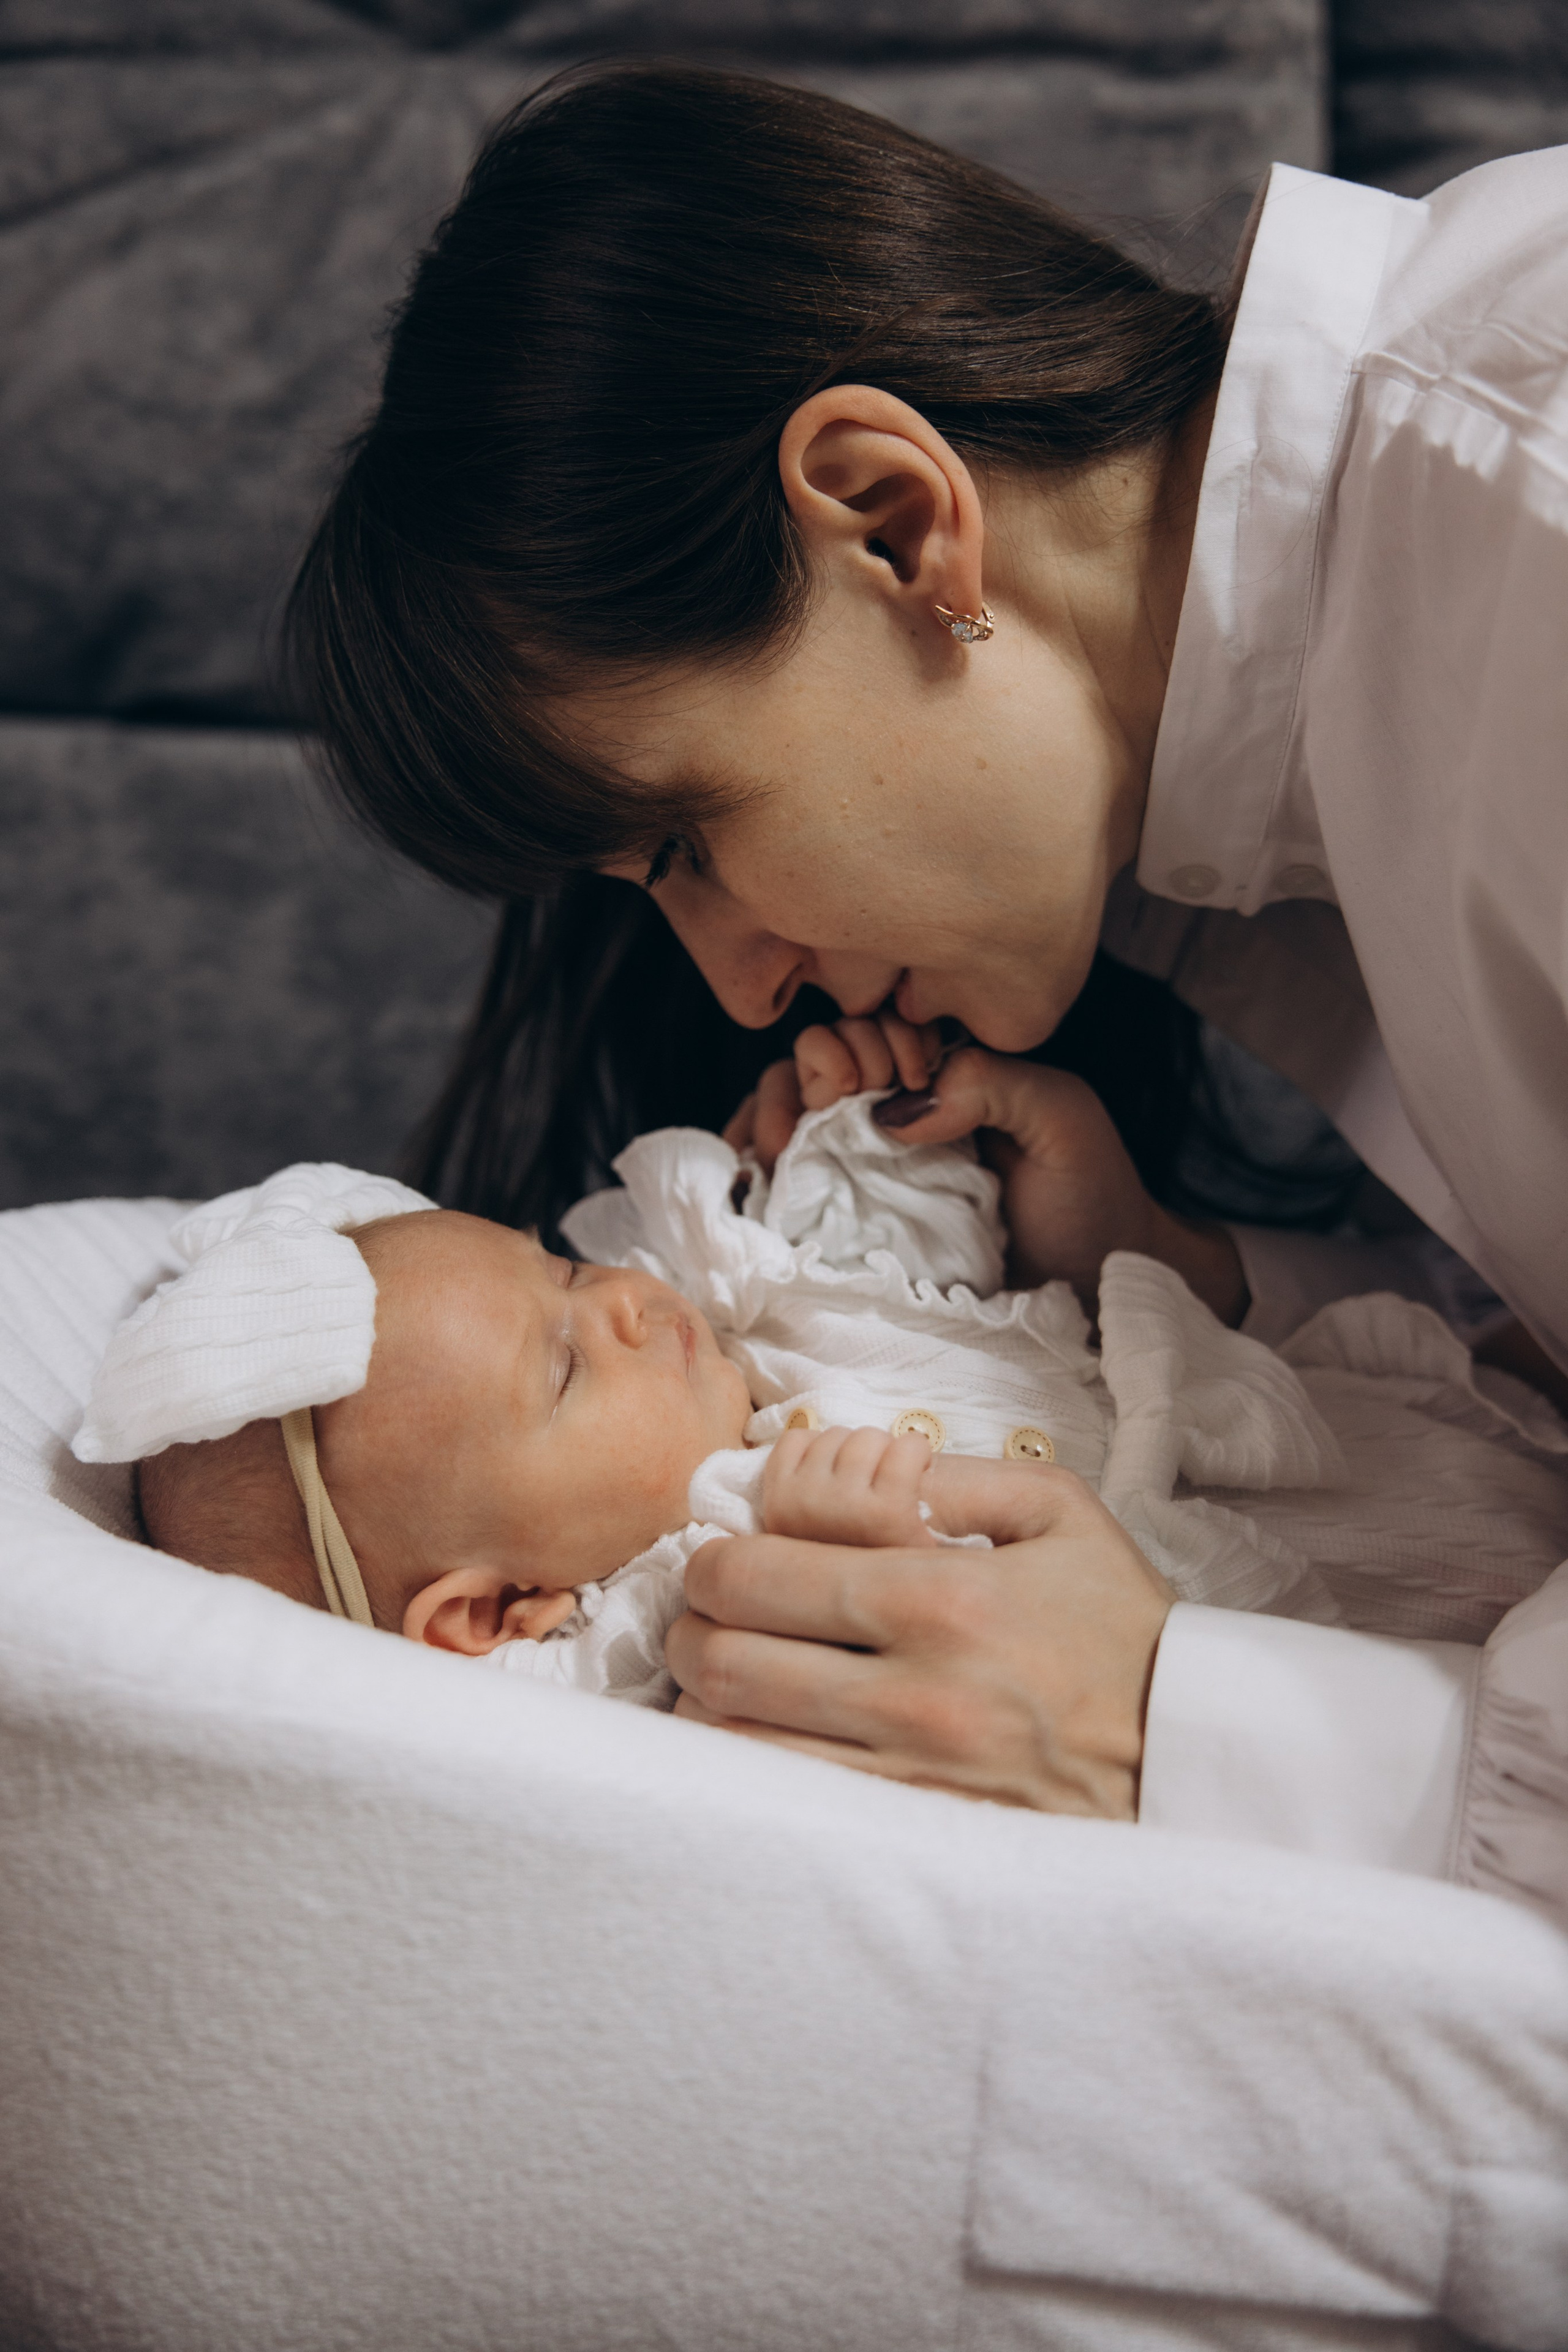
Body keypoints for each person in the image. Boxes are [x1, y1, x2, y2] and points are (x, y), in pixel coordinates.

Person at [287, 62, 1568, 1920]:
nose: (735, 983)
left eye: (690, 848)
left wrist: (1172, 1720)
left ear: (893, 522)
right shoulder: (1243, 815)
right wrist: (1175, 1280)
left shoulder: (1524, 526)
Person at [80, 1053, 1568, 1868]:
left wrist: (875, 1135)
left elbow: (904, 1260)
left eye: (549, 1270)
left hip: (1442, 1430)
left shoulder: (758, 1308)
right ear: (492, 1610)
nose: (618, 1301)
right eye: (560, 1366)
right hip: (1418, 1676)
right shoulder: (682, 1626)